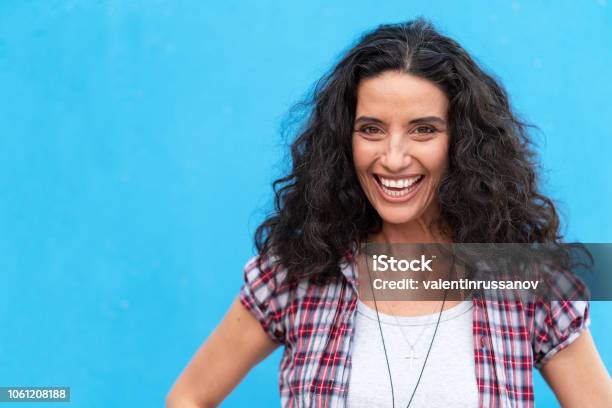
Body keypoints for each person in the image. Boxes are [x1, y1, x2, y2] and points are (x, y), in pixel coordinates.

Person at [166, 18, 612, 407]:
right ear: (344, 140)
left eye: (423, 130)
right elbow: (189, 396)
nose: (394, 158)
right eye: (371, 129)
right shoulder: (294, 274)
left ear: (462, 142)